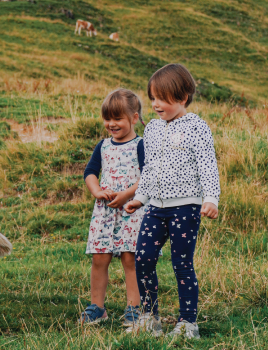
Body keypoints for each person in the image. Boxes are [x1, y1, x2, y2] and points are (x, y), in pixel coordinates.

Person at [123, 63, 221, 339]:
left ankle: (187, 323)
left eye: (162, 99)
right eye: (152, 98)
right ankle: (149, 317)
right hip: (155, 208)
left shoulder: (197, 127)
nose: (155, 104)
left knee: (181, 263)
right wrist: (140, 198)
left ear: (183, 97)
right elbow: (150, 168)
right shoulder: (152, 130)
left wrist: (211, 198)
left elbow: (207, 165)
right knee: (142, 258)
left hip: (185, 207)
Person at [79, 88, 148, 327]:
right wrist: (97, 191)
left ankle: (134, 308)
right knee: (100, 259)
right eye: (107, 119)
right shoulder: (103, 146)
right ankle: (97, 307)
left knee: (131, 260)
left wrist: (127, 195)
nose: (111, 124)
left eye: (118, 119)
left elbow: (147, 177)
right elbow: (90, 172)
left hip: (131, 210)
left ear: (134, 118)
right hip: (105, 211)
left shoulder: (141, 145)